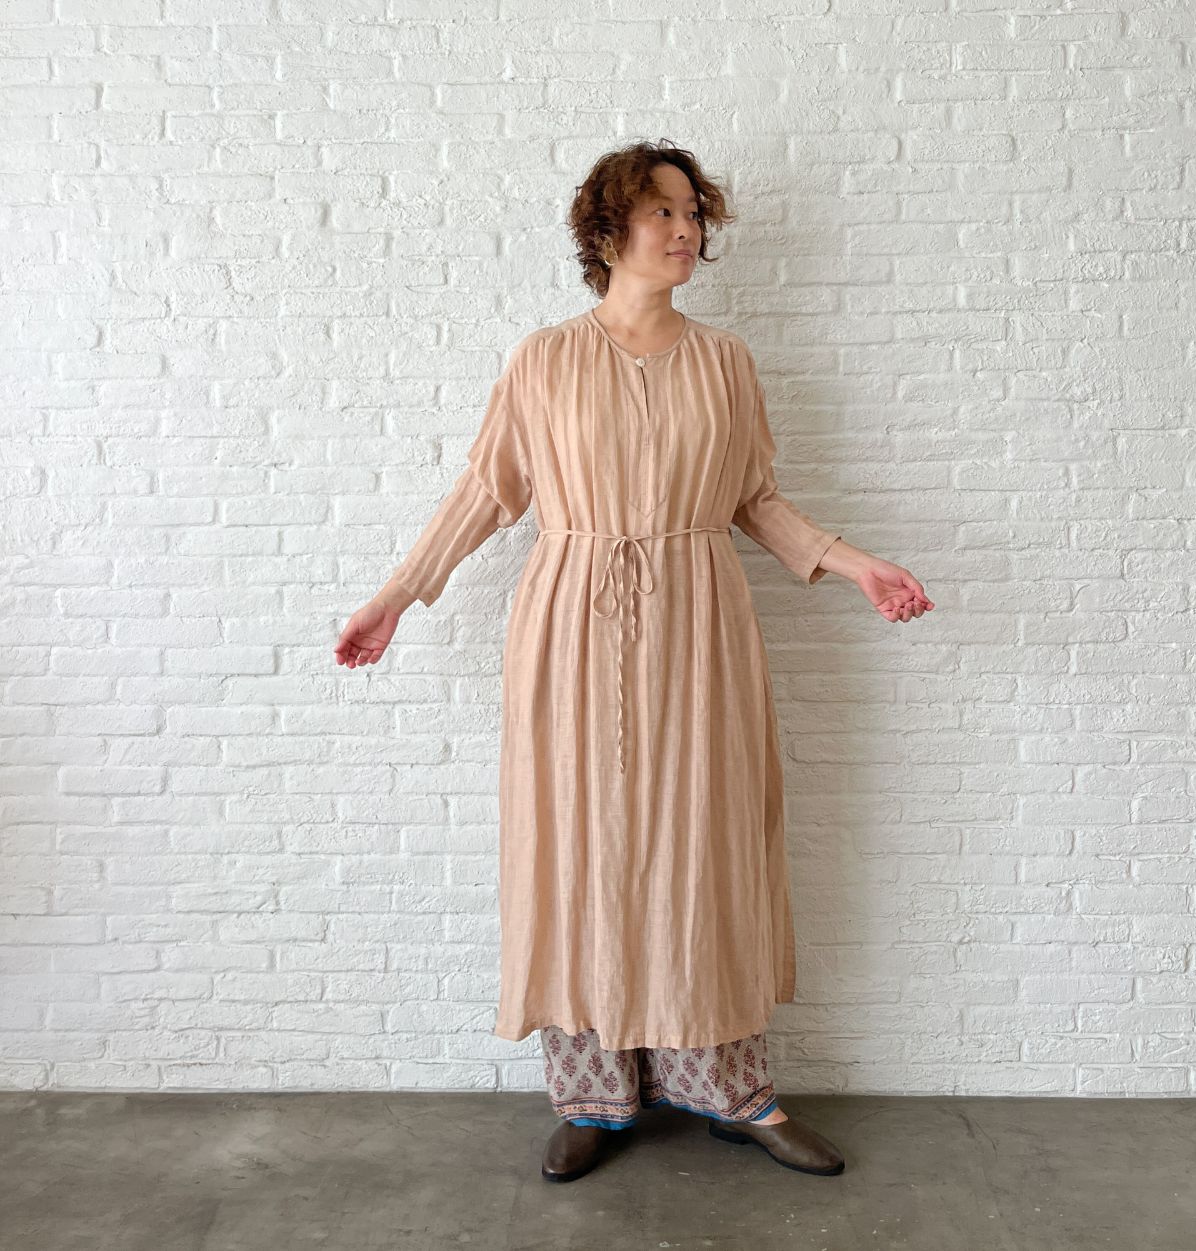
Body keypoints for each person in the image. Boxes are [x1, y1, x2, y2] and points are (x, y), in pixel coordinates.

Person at [334, 139, 933, 1183]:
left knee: (706, 843)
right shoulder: (542, 359)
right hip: (570, 620)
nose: (685, 230)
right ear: (608, 230)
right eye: (663, 211)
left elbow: (753, 499)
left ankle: (732, 1089)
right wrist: (396, 595)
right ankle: (592, 1093)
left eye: (694, 213)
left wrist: (853, 564)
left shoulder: (725, 362)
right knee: (577, 846)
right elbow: (486, 491)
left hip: (698, 620)